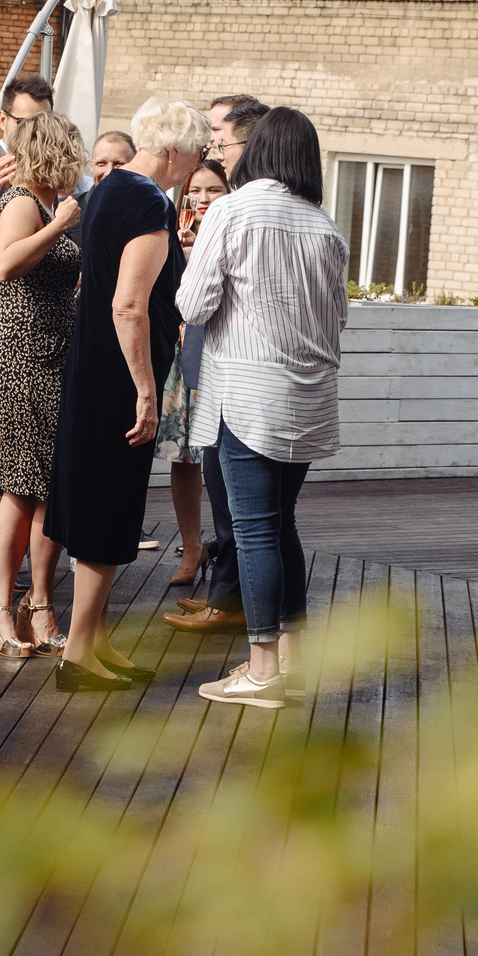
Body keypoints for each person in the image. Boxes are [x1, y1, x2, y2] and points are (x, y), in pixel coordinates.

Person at [178, 108, 349, 709]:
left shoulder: (230, 210)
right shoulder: (326, 228)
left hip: (246, 396)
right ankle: (293, 663)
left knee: (252, 531)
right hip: (307, 397)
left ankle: (261, 670)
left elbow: (193, 303)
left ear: (258, 153)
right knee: (283, 524)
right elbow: (337, 323)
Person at [45, 95, 209, 691]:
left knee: (104, 504)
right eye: (196, 154)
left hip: (91, 367)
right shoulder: (145, 200)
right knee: (107, 507)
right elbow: (129, 305)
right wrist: (145, 389)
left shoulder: (107, 190)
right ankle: (77, 654)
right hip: (117, 377)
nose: (198, 165)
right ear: (173, 151)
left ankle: (94, 640)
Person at [0, 111, 85, 657]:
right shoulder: (24, 201)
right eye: (72, 149)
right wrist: (59, 227)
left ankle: (39, 602)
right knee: (21, 489)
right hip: (22, 361)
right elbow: (3, 265)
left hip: (53, 357)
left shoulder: (47, 203)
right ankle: (0, 603)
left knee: (48, 490)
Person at [165, 96, 269, 635]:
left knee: (237, 497)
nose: (211, 147)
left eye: (218, 138)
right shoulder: (300, 216)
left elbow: (195, 303)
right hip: (221, 371)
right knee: (225, 487)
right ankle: (228, 590)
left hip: (235, 377)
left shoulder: (238, 213)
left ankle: (233, 604)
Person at [157, 158, 232, 587]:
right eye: (194, 192)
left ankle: (225, 546)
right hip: (184, 356)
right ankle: (191, 547)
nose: (202, 200)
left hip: (222, 357)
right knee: (184, 456)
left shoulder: (232, 231)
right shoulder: (172, 235)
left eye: (212, 191)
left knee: (220, 458)